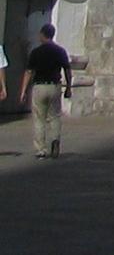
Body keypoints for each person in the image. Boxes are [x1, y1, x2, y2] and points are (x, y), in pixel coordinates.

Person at [19, 24, 72, 159]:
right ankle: (55, 140)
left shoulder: (36, 52)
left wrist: (23, 91)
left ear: (43, 35)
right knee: (54, 116)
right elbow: (67, 69)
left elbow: (29, 71)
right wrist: (68, 87)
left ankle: (41, 149)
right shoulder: (60, 51)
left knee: (39, 118)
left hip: (39, 86)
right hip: (54, 86)